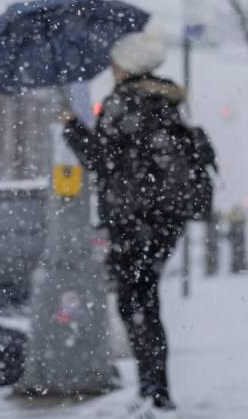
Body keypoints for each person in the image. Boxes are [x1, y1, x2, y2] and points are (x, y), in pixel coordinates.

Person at [61, 27, 190, 413]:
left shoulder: (123, 102)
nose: (113, 69)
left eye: (117, 63)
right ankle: (155, 389)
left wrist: (72, 127)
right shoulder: (165, 100)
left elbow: (102, 160)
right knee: (146, 300)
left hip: (132, 217)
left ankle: (154, 391)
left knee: (135, 303)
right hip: (163, 218)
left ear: (129, 66)